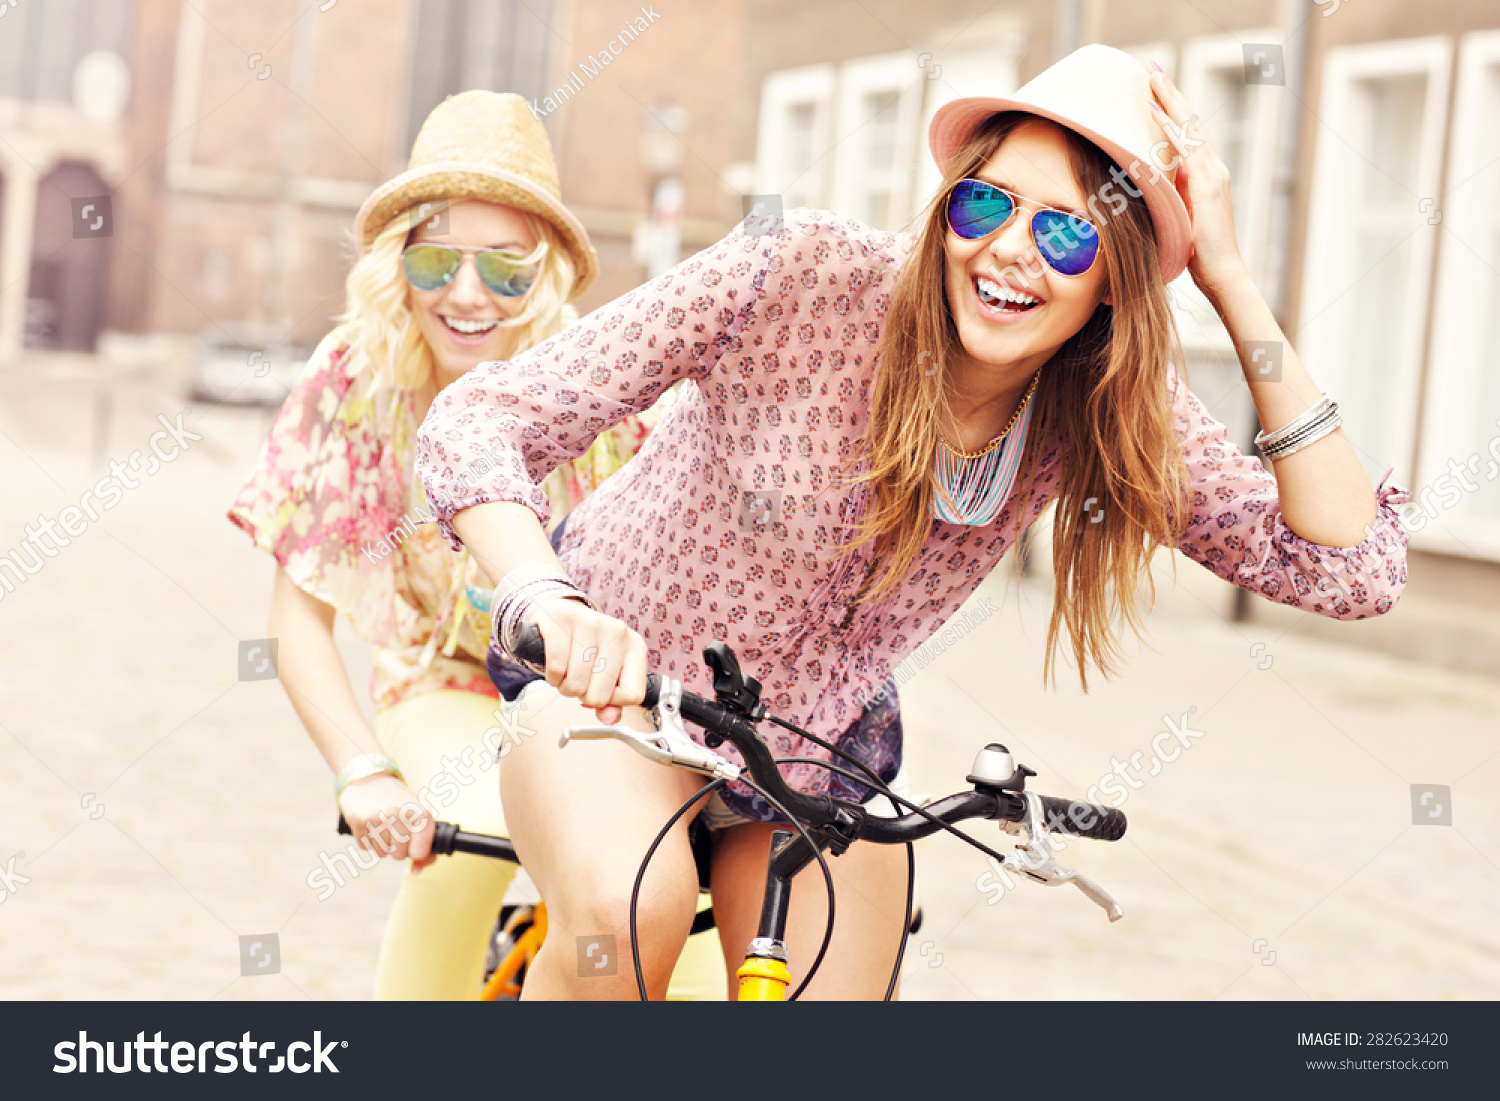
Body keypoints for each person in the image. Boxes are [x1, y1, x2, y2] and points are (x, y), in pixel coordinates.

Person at [413, 46, 1411, 1000]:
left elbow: (1350, 571)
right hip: (618, 688)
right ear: (950, 207)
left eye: (1069, 232)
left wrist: (1232, 286)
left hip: (810, 745)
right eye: (989, 202)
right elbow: (482, 419)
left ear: (1119, 279)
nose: (1012, 247)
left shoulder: (1107, 399)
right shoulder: (798, 272)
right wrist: (546, 596)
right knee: (626, 921)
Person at [227, 91, 707, 998]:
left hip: (594, 695)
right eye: (438, 259)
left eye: (508, 271)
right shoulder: (356, 376)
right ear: (397, 261)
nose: (468, 294)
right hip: (445, 677)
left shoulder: (606, 384)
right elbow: (298, 611)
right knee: (472, 838)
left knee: (671, 906)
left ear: (552, 275)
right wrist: (361, 770)